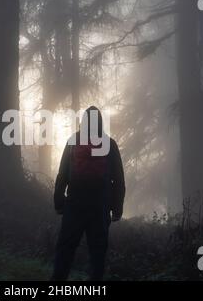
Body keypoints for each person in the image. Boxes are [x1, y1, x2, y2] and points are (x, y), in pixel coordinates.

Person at [51, 106, 126, 281]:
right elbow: (119, 180)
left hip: (74, 205)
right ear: (100, 122)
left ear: (83, 122)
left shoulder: (73, 141)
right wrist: (117, 209)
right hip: (100, 207)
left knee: (65, 249)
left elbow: (62, 175)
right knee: (97, 253)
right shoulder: (110, 144)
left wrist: (59, 203)